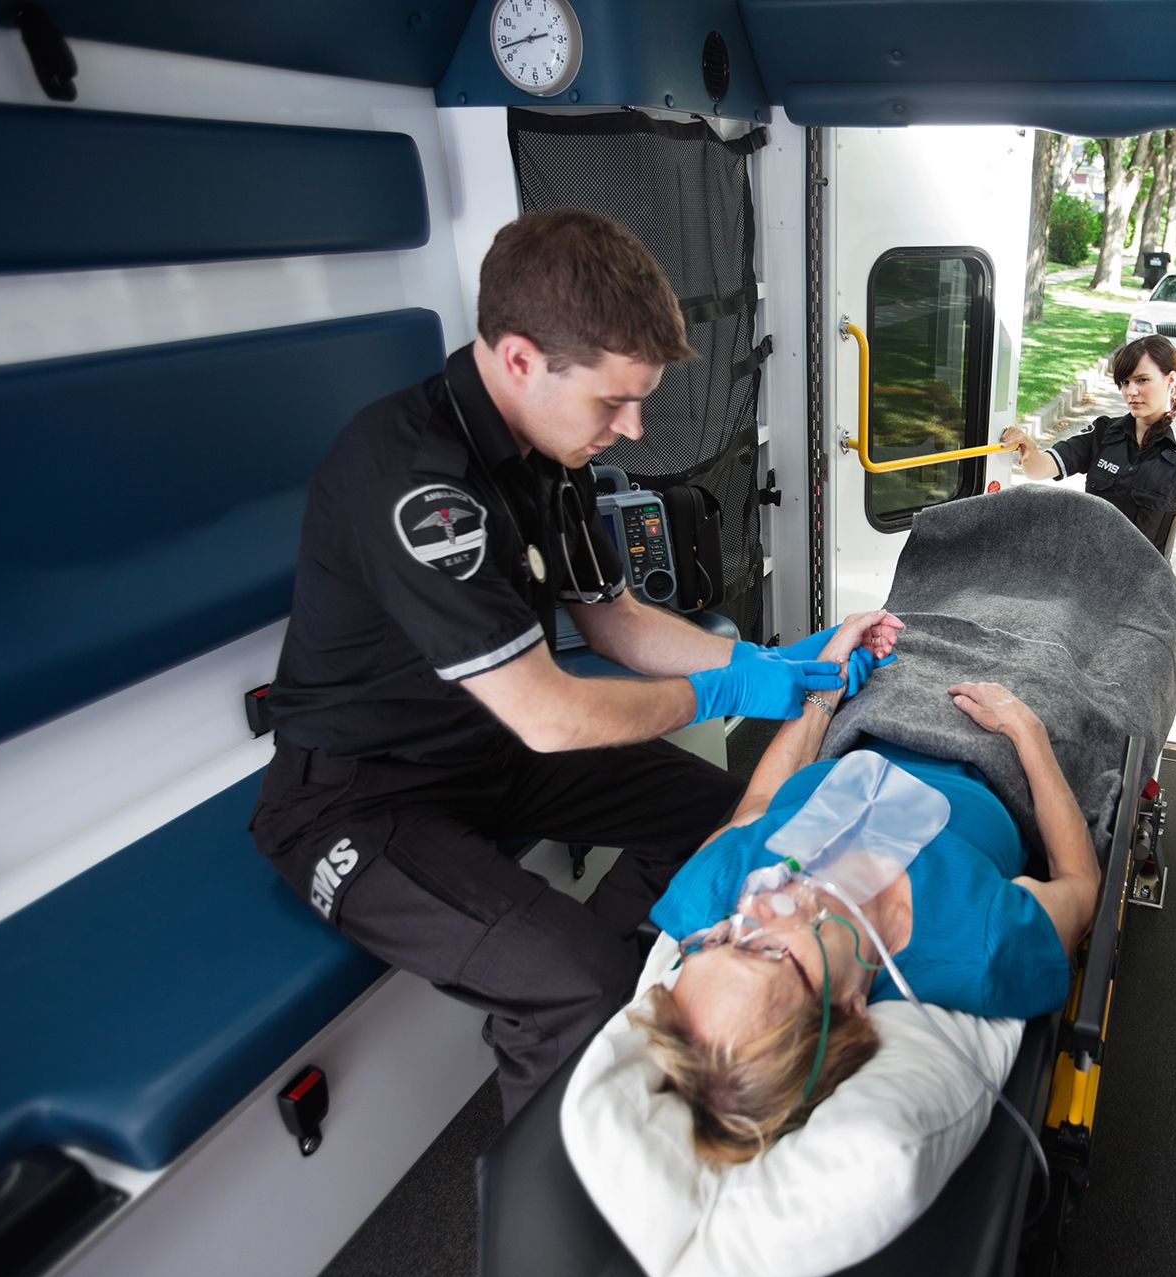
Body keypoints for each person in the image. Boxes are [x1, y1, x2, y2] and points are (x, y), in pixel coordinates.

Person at [248, 208, 883, 1119]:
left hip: (486, 757)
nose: (629, 429)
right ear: (518, 359)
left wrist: (776, 658)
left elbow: (615, 621)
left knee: (721, 825)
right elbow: (549, 713)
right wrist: (729, 687)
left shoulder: (552, 452)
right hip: (356, 797)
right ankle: (567, 1126)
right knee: (573, 984)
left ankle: (601, 991)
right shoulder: (417, 482)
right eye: (612, 401)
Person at [632, 608, 1098, 1163]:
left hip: (878, 694)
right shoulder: (982, 945)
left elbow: (758, 806)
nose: (753, 908)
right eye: (771, 951)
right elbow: (1081, 885)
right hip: (998, 725)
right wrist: (1027, 730)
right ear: (851, 1012)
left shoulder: (712, 895)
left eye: (719, 941)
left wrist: (825, 682)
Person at [1000, 335, 1176, 549]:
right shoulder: (1104, 432)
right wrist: (1028, 447)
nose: (1130, 392)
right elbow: (1039, 468)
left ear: (1170, 380)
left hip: (1144, 585)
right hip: (1087, 574)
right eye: (1124, 382)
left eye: (1142, 380)